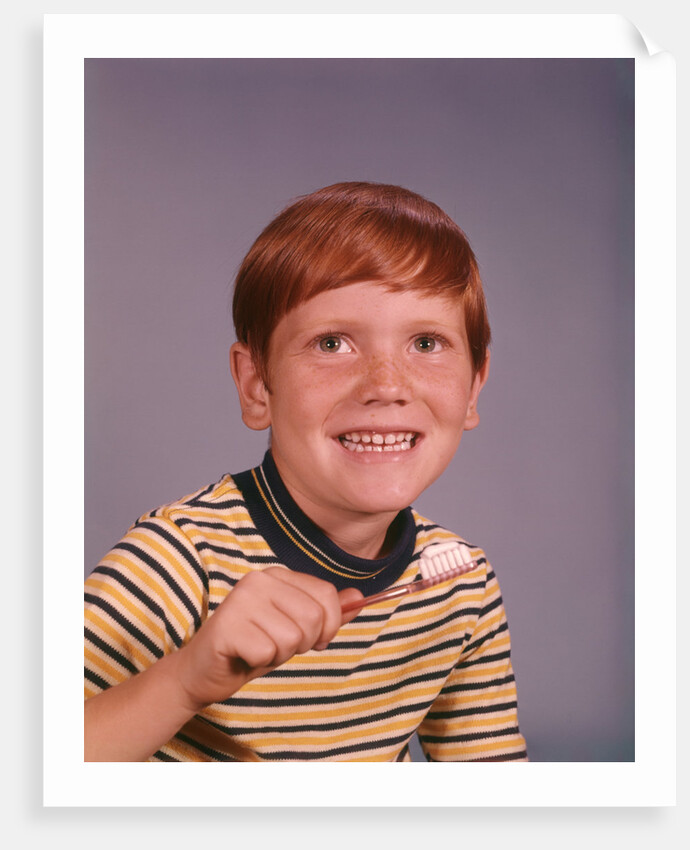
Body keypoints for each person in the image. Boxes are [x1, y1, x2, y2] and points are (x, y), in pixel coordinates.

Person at [84, 181, 528, 762]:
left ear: (474, 386)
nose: (387, 385)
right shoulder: (177, 563)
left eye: (426, 341)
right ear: (255, 384)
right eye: (332, 343)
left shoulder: (461, 585)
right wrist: (186, 681)